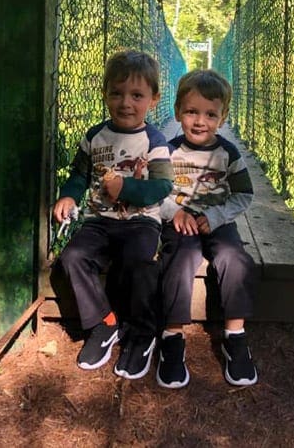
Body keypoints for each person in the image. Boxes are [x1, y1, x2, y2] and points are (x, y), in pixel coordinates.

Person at [53, 50, 173, 380]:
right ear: (105, 93)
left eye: (137, 95)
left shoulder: (154, 140)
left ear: (153, 99)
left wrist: (129, 189)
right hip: (99, 220)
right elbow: (79, 174)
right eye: (116, 93)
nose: (125, 103)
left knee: (139, 261)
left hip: (141, 221)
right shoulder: (95, 136)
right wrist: (67, 195)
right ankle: (104, 323)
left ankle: (141, 333)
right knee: (73, 257)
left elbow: (163, 186)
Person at [155, 69, 257, 389]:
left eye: (210, 114)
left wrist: (216, 216)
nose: (200, 121)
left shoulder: (228, 153)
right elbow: (153, 192)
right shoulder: (167, 152)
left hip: (218, 220)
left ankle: (235, 336)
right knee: (180, 258)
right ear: (177, 113)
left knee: (233, 258)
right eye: (191, 112)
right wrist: (175, 212)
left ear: (222, 118)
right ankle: (172, 337)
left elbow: (245, 194)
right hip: (180, 222)